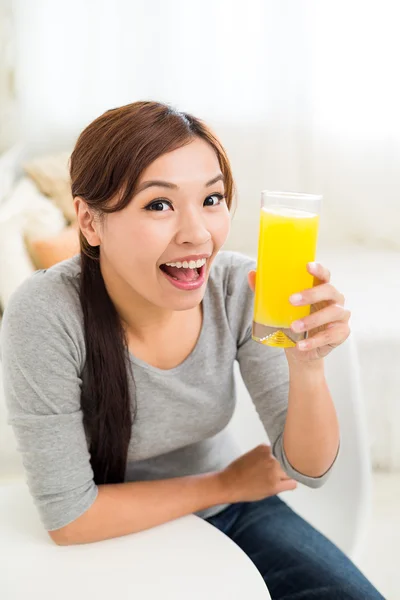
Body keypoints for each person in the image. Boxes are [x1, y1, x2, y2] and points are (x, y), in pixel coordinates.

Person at [0, 101, 383, 599]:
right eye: (159, 204)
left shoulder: (238, 288)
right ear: (90, 223)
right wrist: (222, 484)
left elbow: (307, 469)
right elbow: (71, 517)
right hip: (110, 526)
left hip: (236, 513)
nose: (197, 233)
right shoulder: (46, 311)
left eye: (212, 198)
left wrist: (306, 366)